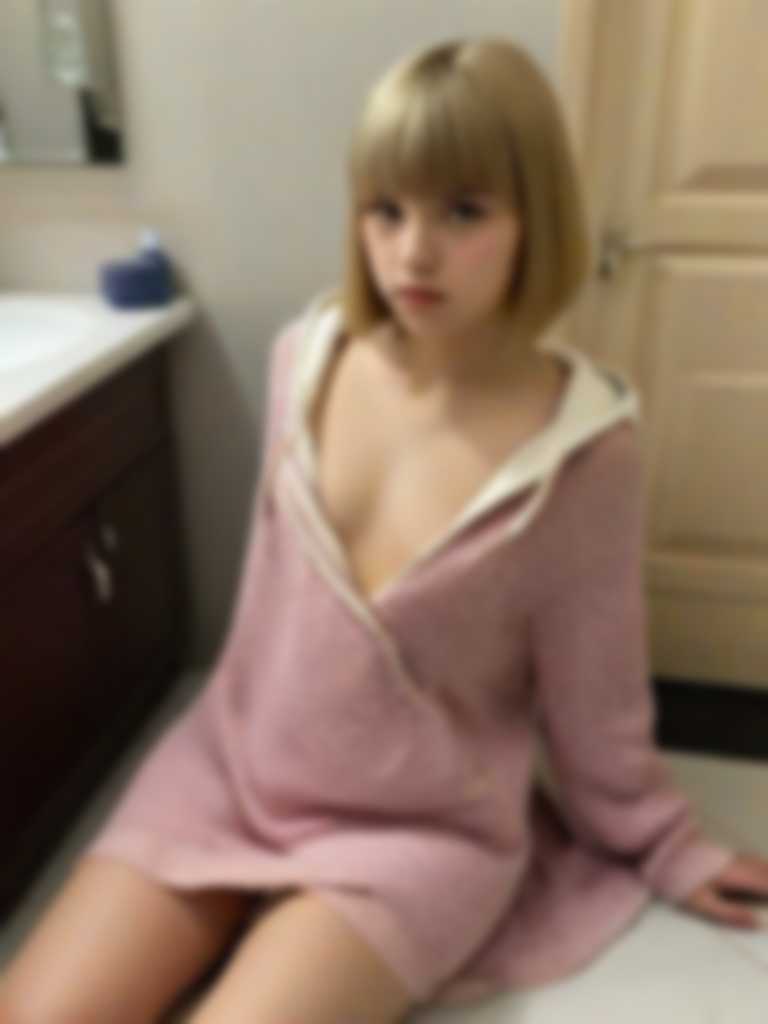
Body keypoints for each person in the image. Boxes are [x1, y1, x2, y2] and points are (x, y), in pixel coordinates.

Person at [3, 34, 768, 1024]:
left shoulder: (585, 455)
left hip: (416, 833)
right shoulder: (302, 359)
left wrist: (668, 844)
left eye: (464, 210)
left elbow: (599, 703)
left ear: (535, 216)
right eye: (386, 208)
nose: (413, 252)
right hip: (232, 769)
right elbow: (279, 624)